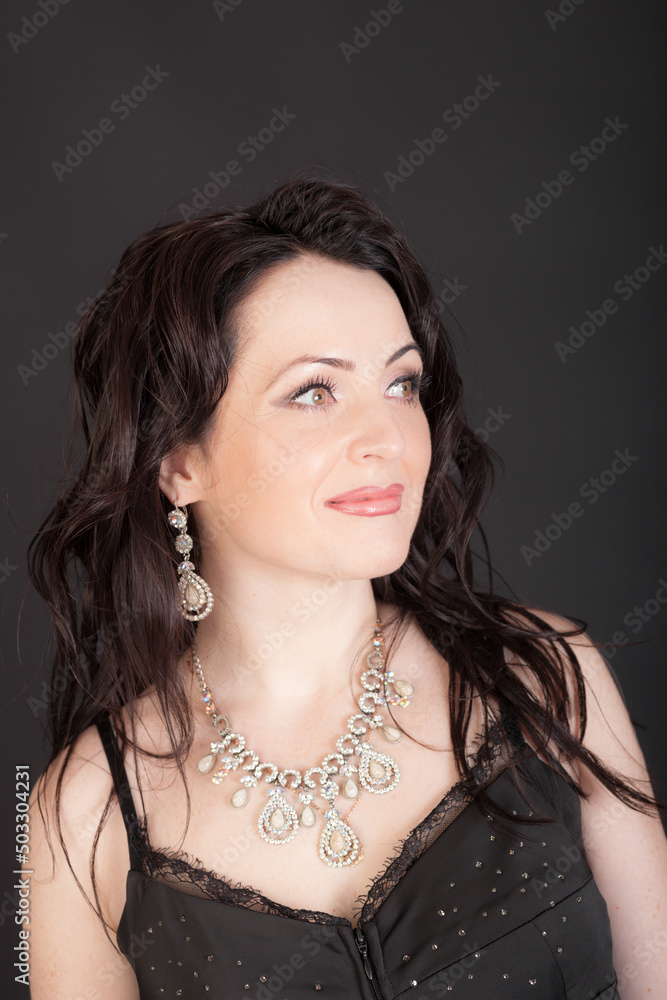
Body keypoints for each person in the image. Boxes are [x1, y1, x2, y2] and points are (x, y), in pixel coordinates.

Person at [25, 172, 667, 1000]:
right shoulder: (81, 816)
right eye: (314, 392)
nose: (389, 437)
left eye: (401, 384)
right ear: (178, 462)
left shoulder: (546, 677)